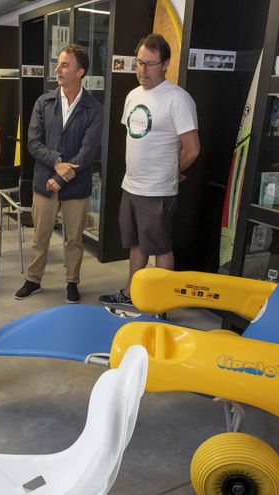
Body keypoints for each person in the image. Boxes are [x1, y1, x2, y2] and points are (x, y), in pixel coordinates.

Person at [99, 33, 200, 309]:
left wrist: (171, 171)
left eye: (150, 63)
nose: (142, 70)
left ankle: (162, 305)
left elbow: (192, 149)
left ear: (166, 64)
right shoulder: (132, 96)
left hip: (157, 190)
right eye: (139, 62)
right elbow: (136, 139)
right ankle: (133, 294)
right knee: (136, 245)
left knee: (160, 248)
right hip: (131, 185)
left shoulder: (178, 99)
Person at [14, 44, 103, 304]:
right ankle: (33, 279)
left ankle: (72, 281)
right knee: (39, 236)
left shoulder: (93, 108)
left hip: (76, 186)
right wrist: (57, 163)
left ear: (80, 71)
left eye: (65, 65)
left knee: (74, 239)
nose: (58, 69)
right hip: (45, 183)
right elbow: (33, 142)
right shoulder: (45, 102)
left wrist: (62, 176)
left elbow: (88, 152)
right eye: (58, 64)